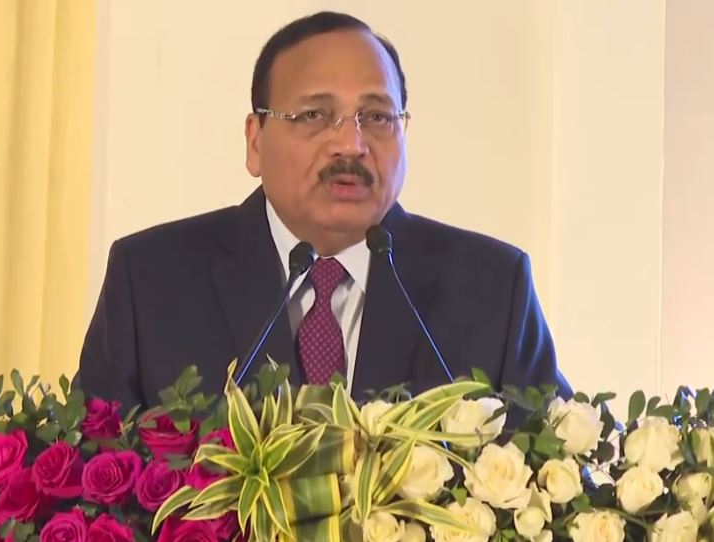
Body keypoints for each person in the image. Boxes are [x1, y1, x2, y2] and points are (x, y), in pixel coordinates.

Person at [77, 11, 571, 411]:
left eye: (376, 116)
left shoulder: (492, 289)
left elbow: (557, 478)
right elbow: (88, 482)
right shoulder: (151, 282)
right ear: (255, 140)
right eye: (314, 115)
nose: (351, 144)